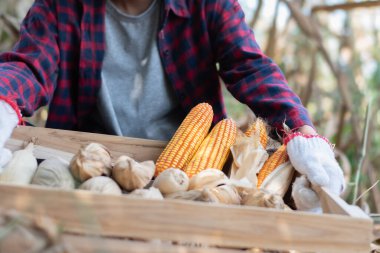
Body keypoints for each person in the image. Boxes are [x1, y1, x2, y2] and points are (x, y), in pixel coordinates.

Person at [0, 0, 344, 211]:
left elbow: (250, 67)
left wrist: (303, 131)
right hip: (93, 164)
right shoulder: (60, 6)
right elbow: (30, 65)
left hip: (190, 174)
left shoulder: (209, 4)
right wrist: (3, 102)